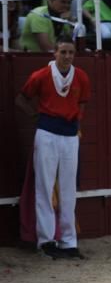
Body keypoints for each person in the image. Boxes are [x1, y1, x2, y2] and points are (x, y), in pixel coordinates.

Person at [15, 36, 91, 260]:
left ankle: (69, 241)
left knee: (68, 189)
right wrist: (34, 115)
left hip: (69, 135)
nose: (67, 56)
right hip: (47, 133)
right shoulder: (41, 75)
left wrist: (76, 122)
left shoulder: (82, 77)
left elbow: (82, 104)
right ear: (54, 53)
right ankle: (46, 240)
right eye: (63, 52)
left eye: (71, 53)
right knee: (45, 187)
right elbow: (21, 99)